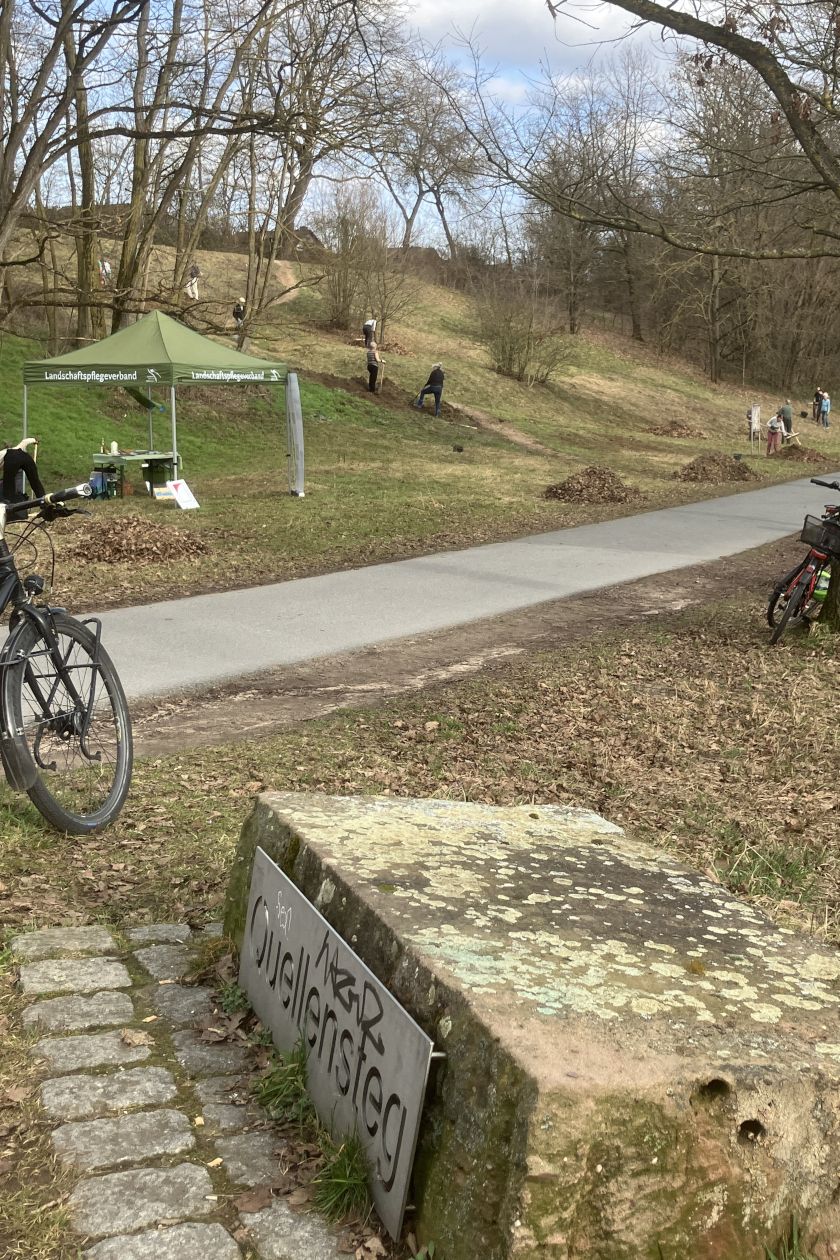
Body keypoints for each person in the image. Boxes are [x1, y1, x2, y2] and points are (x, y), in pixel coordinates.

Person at [0, 437, 45, 503]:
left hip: (12, 458)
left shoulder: (7, 454)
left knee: (8, 482)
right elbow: (25, 442)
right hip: (26, 457)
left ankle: (9, 503)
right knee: (35, 481)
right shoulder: (15, 448)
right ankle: (44, 500)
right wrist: (34, 440)